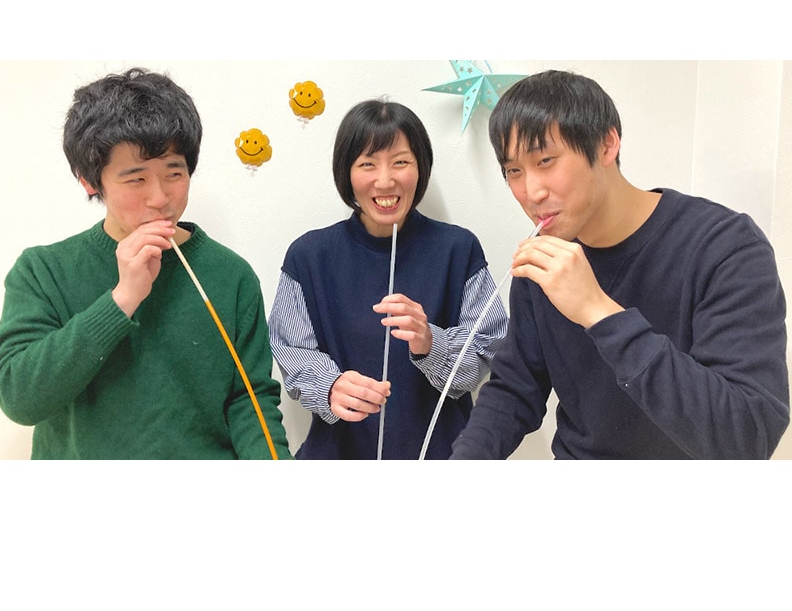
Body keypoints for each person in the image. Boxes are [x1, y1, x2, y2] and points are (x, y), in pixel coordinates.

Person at [449, 70, 789, 459]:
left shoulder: (724, 246)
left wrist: (597, 310)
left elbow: (748, 439)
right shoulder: (544, 258)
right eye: (514, 171)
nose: (531, 191)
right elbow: (514, 389)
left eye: (546, 160)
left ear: (607, 144)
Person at [0, 68, 292, 460]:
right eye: (136, 179)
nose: (160, 198)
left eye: (174, 172)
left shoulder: (230, 275)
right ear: (89, 181)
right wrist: (122, 299)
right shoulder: (44, 271)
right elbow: (20, 399)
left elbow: (250, 401)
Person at [268, 98, 508, 459]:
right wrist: (330, 386)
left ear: (420, 167)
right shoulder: (309, 256)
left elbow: (488, 351)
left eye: (400, 162)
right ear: (347, 173)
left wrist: (431, 342)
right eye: (367, 164)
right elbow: (290, 351)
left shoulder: (458, 249)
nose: (385, 180)